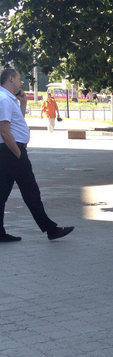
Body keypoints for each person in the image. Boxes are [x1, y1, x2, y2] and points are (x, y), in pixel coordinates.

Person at [0, 68, 74, 242]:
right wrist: (19, 154)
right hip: (12, 151)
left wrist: (23, 104)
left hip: (8, 151)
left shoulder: (8, 99)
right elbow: (4, 131)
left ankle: (0, 233)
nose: (22, 82)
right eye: (19, 78)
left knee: (2, 193)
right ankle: (50, 229)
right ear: (10, 79)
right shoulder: (3, 99)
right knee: (31, 191)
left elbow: (17, 124)